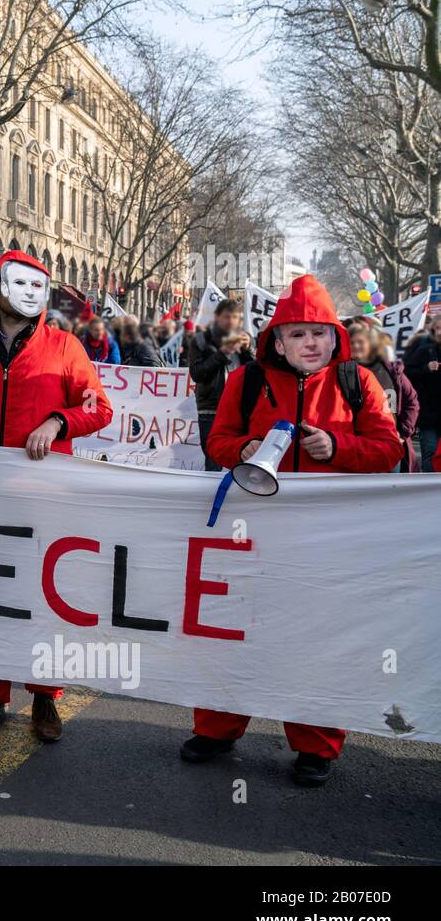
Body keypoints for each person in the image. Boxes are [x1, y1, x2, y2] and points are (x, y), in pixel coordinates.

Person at [184, 274, 403, 786]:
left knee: (318, 640)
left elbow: (390, 449)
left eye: (319, 333)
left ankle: (315, 745)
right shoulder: (248, 381)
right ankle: (217, 729)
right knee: (234, 634)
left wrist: (339, 448)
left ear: (335, 337)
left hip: (329, 541)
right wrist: (242, 450)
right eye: (298, 334)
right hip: (251, 534)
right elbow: (217, 441)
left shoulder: (359, 382)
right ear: (277, 341)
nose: (310, 343)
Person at [0, 251, 114, 740]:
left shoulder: (65, 347)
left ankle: (45, 697)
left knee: (41, 597)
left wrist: (59, 421)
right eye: (18, 284)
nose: (29, 294)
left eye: (38, 285)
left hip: (45, 496)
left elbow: (99, 408)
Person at [182, 298, 252, 472]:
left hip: (238, 408)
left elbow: (255, 372)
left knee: (240, 459)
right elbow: (197, 373)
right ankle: (211, 497)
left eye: (235, 317)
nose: (231, 321)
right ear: (217, 317)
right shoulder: (200, 340)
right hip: (211, 408)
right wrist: (222, 353)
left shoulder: (242, 339)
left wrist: (247, 350)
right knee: (214, 459)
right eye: (227, 316)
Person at [351, 323, 419, 472]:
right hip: (357, 450)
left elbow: (411, 402)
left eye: (361, 342)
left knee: (393, 493)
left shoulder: (391, 369)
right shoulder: (343, 371)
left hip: (390, 447)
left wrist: (402, 432)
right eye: (352, 342)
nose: (356, 346)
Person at [404, 312, 441, 472]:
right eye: (438, 328)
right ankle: (429, 491)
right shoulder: (425, 350)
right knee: (430, 452)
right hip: (429, 414)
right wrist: (425, 369)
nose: (440, 332)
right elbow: (407, 374)